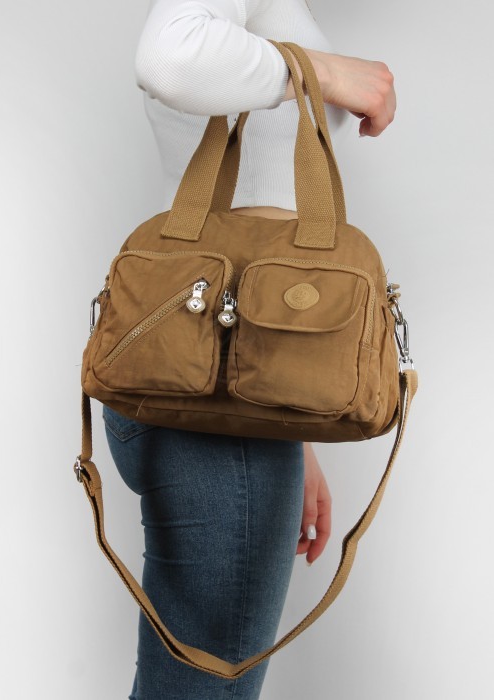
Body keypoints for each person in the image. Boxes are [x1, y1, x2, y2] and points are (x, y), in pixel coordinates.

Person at [102, 1, 396, 698]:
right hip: (212, 422)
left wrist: (297, 436)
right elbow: (170, 55)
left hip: (198, 380)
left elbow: (250, 278)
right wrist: (326, 71)